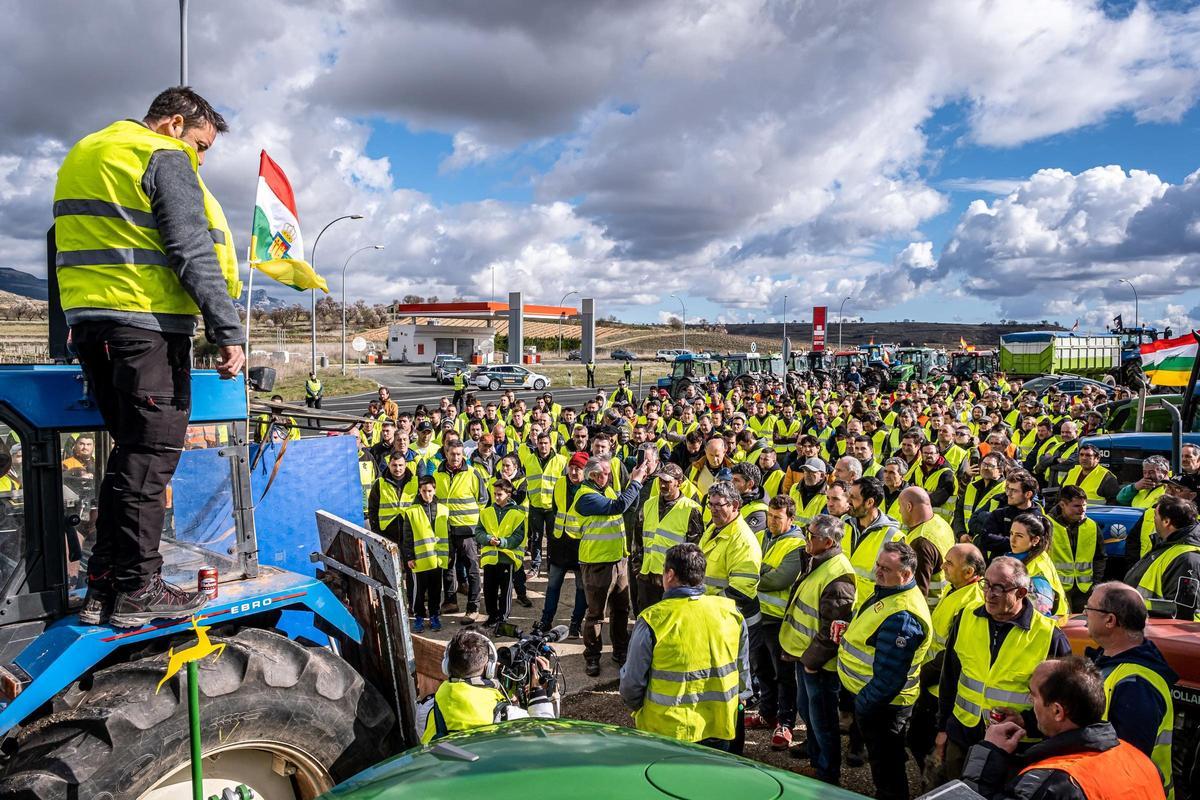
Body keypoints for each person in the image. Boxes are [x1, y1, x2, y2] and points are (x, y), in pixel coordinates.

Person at [57, 87, 246, 627]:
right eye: (201, 144)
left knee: (129, 457)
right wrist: (226, 331)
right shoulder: (162, 155)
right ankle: (140, 587)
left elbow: (68, 243)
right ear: (175, 123)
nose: (201, 159)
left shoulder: (87, 151)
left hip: (92, 326)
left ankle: (103, 584)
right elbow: (190, 249)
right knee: (152, 459)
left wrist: (77, 320)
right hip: (146, 328)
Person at [936, 557, 1071, 779]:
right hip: (963, 736)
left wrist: (1028, 723)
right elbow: (950, 676)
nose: (989, 593)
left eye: (999, 587)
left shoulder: (1049, 636)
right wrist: (943, 727)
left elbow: (1063, 704)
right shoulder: (966, 616)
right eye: (987, 584)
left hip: (1016, 747)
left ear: (1021, 593)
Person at [960, 657, 1165, 800]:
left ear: (1058, 711)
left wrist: (989, 753)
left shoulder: (1051, 784)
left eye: (1034, 696)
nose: (1030, 701)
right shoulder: (1139, 760)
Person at [620, 543, 750, 749]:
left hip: (667, 730)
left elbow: (631, 684)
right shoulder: (731, 613)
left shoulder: (653, 620)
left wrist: (638, 707)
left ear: (670, 575)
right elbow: (742, 670)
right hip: (720, 724)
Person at [837, 541, 931, 800]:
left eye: (885, 568)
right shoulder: (888, 591)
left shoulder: (903, 615)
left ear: (907, 574)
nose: (878, 571)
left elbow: (889, 678)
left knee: (888, 773)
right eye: (878, 565)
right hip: (875, 702)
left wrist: (863, 707)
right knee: (884, 766)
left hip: (885, 707)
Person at [779, 513, 857, 784]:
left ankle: (826, 773)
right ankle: (815, 759)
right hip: (805, 656)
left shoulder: (839, 576)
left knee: (823, 719)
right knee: (810, 711)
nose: (805, 538)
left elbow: (832, 630)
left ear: (827, 541)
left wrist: (812, 662)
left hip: (819, 665)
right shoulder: (817, 560)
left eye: (810, 535)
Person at [1084, 583, 1176, 797]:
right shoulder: (1113, 663)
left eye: (1089, 608)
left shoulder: (1136, 686)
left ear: (1110, 620)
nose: (1084, 613)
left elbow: (1126, 765)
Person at [573, 448, 656, 677]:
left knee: (621, 609)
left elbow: (627, 505)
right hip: (597, 562)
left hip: (618, 560)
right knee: (596, 614)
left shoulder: (606, 489)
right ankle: (592, 656)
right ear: (593, 476)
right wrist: (636, 483)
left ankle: (620, 651)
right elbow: (617, 507)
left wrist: (635, 484)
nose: (609, 477)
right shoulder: (585, 496)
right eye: (605, 473)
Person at [909, 543, 986, 780]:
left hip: (939, 688)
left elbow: (952, 655)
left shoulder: (972, 602)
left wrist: (920, 676)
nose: (942, 566)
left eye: (950, 563)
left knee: (925, 741)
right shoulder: (956, 588)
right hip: (932, 683)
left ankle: (934, 783)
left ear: (969, 572)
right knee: (917, 740)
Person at [745, 494, 808, 750]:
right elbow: (744, 565)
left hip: (779, 620)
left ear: (791, 519)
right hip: (758, 615)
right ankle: (767, 713)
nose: (771, 521)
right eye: (769, 516)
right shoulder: (761, 536)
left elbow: (779, 579)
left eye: (777, 518)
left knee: (784, 674)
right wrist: (760, 571)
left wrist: (755, 572)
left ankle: (786, 722)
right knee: (761, 668)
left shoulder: (797, 544)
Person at [418, 629, 556, 743]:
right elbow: (545, 736)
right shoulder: (504, 714)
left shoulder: (428, 708)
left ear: (446, 665)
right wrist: (538, 694)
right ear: (489, 668)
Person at [635, 463, 703, 613]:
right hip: (647, 576)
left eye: (667, 481)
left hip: (674, 580)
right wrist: (638, 568)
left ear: (679, 483)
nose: (662, 485)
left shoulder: (691, 510)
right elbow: (639, 539)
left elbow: (694, 549)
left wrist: (684, 580)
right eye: (660, 481)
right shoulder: (648, 505)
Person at [435, 441, 489, 623]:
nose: (456, 457)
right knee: (447, 566)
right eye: (452, 454)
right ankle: (450, 602)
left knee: (472, 568)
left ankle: (473, 606)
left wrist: (477, 525)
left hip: (467, 529)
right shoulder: (437, 474)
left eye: (459, 454)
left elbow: (483, 500)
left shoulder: (472, 473)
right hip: (446, 528)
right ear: (446, 453)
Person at [537, 452, 589, 638]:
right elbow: (555, 508)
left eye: (578, 469)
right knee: (553, 585)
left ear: (585, 471)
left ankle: (576, 623)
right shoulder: (559, 483)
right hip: (559, 542)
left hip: (580, 544)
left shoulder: (589, 488)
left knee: (581, 587)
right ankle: (546, 619)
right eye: (572, 468)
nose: (574, 472)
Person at [1124, 494, 1200, 620]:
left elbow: (1180, 612)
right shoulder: (1169, 547)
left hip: (1158, 634)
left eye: (1155, 515)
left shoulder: (1186, 559)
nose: (1153, 519)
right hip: (1145, 628)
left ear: (1166, 522)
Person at [399, 476, 448, 632]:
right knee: (418, 591)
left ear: (435, 490)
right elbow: (407, 537)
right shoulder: (412, 511)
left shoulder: (443, 509)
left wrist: (450, 553)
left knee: (435, 590)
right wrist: (409, 557)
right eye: (424, 491)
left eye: (430, 491)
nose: (427, 494)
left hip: (437, 559)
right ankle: (419, 616)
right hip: (419, 560)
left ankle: (434, 615)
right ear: (419, 491)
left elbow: (448, 534)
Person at [474, 478, 526, 627]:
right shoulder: (486, 512)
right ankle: (492, 616)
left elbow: (518, 536)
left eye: (500, 494)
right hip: (490, 559)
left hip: (506, 558)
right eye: (495, 494)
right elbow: (479, 532)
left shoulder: (517, 514)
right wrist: (488, 539)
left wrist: (503, 542)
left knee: (505, 591)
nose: (496, 497)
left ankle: (502, 618)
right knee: (489, 590)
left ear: (508, 494)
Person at [846, 476, 904, 603]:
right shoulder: (843, 524)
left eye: (853, 497)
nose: (848, 501)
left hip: (867, 610)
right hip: (839, 603)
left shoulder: (893, 537)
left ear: (870, 502)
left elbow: (896, 584)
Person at [1047, 486, 1105, 613]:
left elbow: (1099, 557)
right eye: (1077, 506)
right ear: (1062, 505)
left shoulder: (1092, 526)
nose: (1082, 509)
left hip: (1084, 590)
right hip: (1056, 588)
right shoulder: (1047, 525)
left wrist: (1096, 583)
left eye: (1084, 505)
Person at [897, 486, 956, 604]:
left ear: (909, 507)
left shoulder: (920, 543)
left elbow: (917, 593)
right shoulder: (940, 523)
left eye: (900, 506)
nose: (899, 511)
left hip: (929, 611)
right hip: (943, 602)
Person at [1008, 513, 1068, 619]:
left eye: (1019, 536)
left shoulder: (1038, 568)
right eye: (1011, 534)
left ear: (1035, 540)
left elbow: (1042, 612)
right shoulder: (1021, 556)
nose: (1012, 540)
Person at [977, 471, 1045, 561]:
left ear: (1028, 494)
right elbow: (985, 539)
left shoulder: (1039, 519)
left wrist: (1000, 540)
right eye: (1008, 489)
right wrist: (1020, 542)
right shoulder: (999, 514)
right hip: (999, 567)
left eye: (1014, 490)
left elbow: (1041, 546)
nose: (1008, 493)